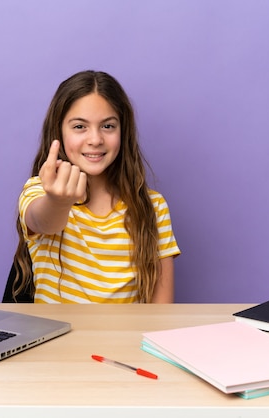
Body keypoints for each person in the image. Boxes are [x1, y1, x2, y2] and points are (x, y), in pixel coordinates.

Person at [10, 70, 180, 303]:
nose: (95, 139)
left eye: (108, 126)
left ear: (123, 131)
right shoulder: (39, 191)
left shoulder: (153, 207)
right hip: (58, 339)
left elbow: (161, 312)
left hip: (125, 339)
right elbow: (43, 221)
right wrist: (58, 201)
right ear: (59, 131)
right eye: (80, 127)